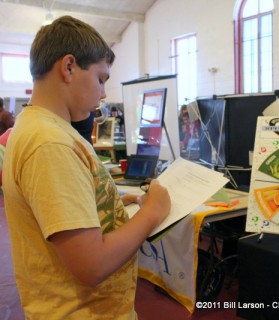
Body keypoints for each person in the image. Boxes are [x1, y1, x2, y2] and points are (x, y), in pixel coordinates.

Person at [2, 15, 171, 319]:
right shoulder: (50, 143)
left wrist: (115, 204)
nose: (104, 93)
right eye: (101, 78)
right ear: (68, 67)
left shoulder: (43, 128)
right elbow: (91, 265)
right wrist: (152, 212)